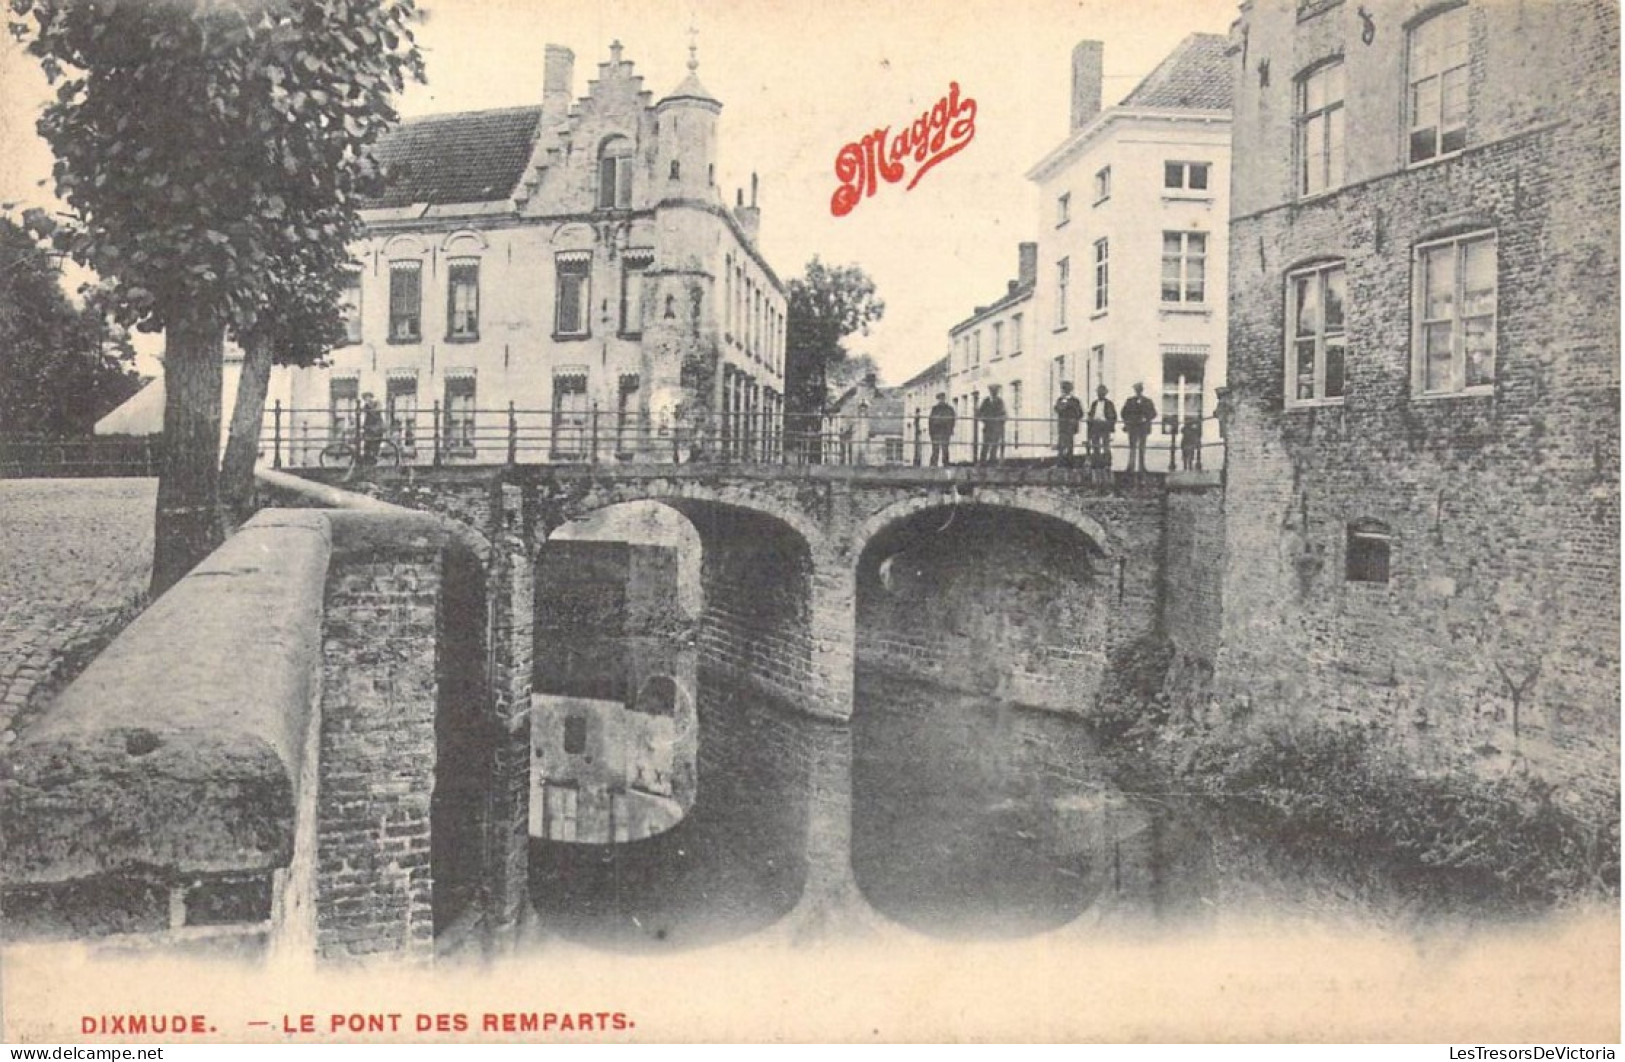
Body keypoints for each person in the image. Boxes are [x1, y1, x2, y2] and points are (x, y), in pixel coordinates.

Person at [1121, 382, 1157, 473]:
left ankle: (1142, 466)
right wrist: (1129, 420)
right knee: (1132, 447)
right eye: (1136, 389)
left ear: (1142, 390)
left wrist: (1146, 418)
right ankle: (1131, 466)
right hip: (1133, 427)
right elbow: (1124, 413)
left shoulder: (1148, 401)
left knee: (1142, 447)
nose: (1138, 391)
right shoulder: (1130, 401)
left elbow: (1153, 413)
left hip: (1143, 427)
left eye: (1139, 389)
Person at [1053, 381, 1083, 467]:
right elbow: (1057, 409)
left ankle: (1069, 462)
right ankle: (1060, 462)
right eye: (1063, 389)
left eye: (1066, 389)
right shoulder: (1060, 400)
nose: (1064, 391)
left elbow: (1080, 413)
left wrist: (1074, 418)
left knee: (1069, 444)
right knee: (1061, 444)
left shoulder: (1075, 401)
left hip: (1070, 426)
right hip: (1062, 425)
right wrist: (1062, 405)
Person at [1086, 384, 1116, 470]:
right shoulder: (1094, 403)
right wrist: (1090, 420)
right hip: (1095, 425)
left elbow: (1113, 416)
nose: (1100, 394)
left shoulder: (1109, 404)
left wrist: (1109, 424)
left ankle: (1107, 463)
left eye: (1102, 392)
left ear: (1105, 393)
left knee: (1106, 444)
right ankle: (1096, 462)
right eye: (1099, 392)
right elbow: (1090, 413)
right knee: (1095, 445)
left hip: (1104, 425)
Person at [977, 385, 1007, 465]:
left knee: (994, 444)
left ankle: (992, 461)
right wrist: (985, 419)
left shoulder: (1000, 402)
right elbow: (980, 412)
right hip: (988, 426)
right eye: (992, 391)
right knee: (985, 444)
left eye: (995, 391)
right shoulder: (986, 401)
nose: (994, 393)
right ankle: (982, 461)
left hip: (996, 427)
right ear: (990, 392)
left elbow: (1003, 413)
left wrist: (1001, 420)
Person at [927, 392, 956, 467]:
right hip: (936, 431)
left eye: (942, 398)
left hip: (945, 430)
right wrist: (931, 431)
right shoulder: (935, 409)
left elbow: (952, 419)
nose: (941, 400)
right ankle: (933, 463)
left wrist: (951, 429)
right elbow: (931, 420)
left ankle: (945, 463)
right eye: (940, 399)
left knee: (945, 448)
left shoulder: (949, 409)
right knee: (935, 448)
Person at [359, 393, 384, 467]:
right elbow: (361, 411)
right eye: (365, 399)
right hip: (369, 427)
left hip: (377, 426)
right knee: (367, 444)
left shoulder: (377, 403)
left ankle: (375, 459)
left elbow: (377, 411)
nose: (367, 400)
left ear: (371, 397)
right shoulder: (366, 406)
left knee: (375, 444)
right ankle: (367, 461)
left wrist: (369, 409)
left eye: (368, 398)